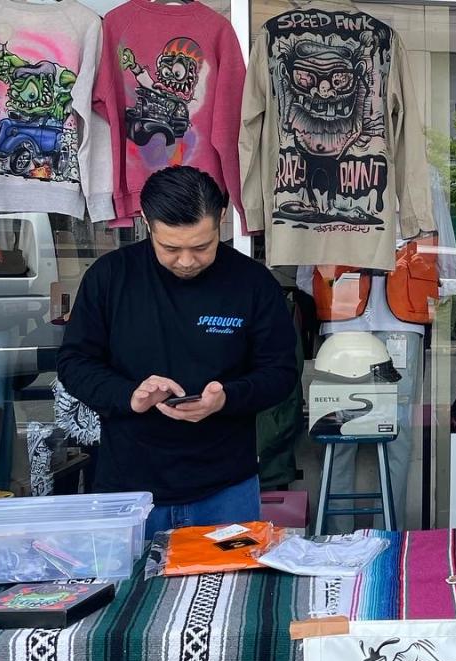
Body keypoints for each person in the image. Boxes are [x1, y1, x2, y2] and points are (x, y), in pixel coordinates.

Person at [57, 166, 297, 536]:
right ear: (147, 223)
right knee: (130, 578)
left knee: (231, 575)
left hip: (226, 489)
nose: (186, 261)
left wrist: (227, 398)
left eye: (201, 246)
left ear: (221, 219)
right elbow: (74, 363)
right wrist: (129, 396)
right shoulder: (110, 277)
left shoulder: (253, 283)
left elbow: (280, 372)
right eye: (170, 248)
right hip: (129, 490)